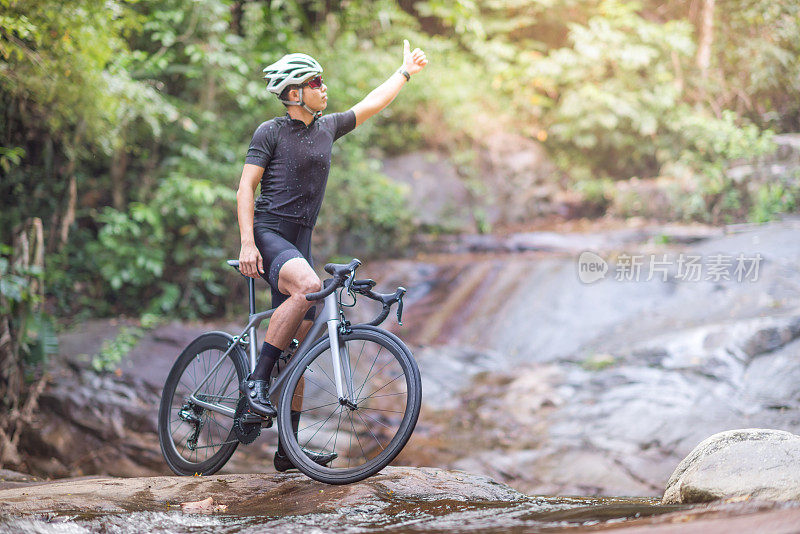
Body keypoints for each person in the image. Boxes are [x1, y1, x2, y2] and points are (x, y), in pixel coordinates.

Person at [236, 41, 428, 471]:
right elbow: (246, 187)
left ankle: (288, 449)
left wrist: (404, 72)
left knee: (298, 348)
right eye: (315, 82)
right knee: (308, 287)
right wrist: (248, 242)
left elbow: (371, 103)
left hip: (299, 241)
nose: (325, 88)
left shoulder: (327, 128)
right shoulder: (270, 132)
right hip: (270, 234)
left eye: (322, 81)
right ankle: (254, 382)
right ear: (293, 93)